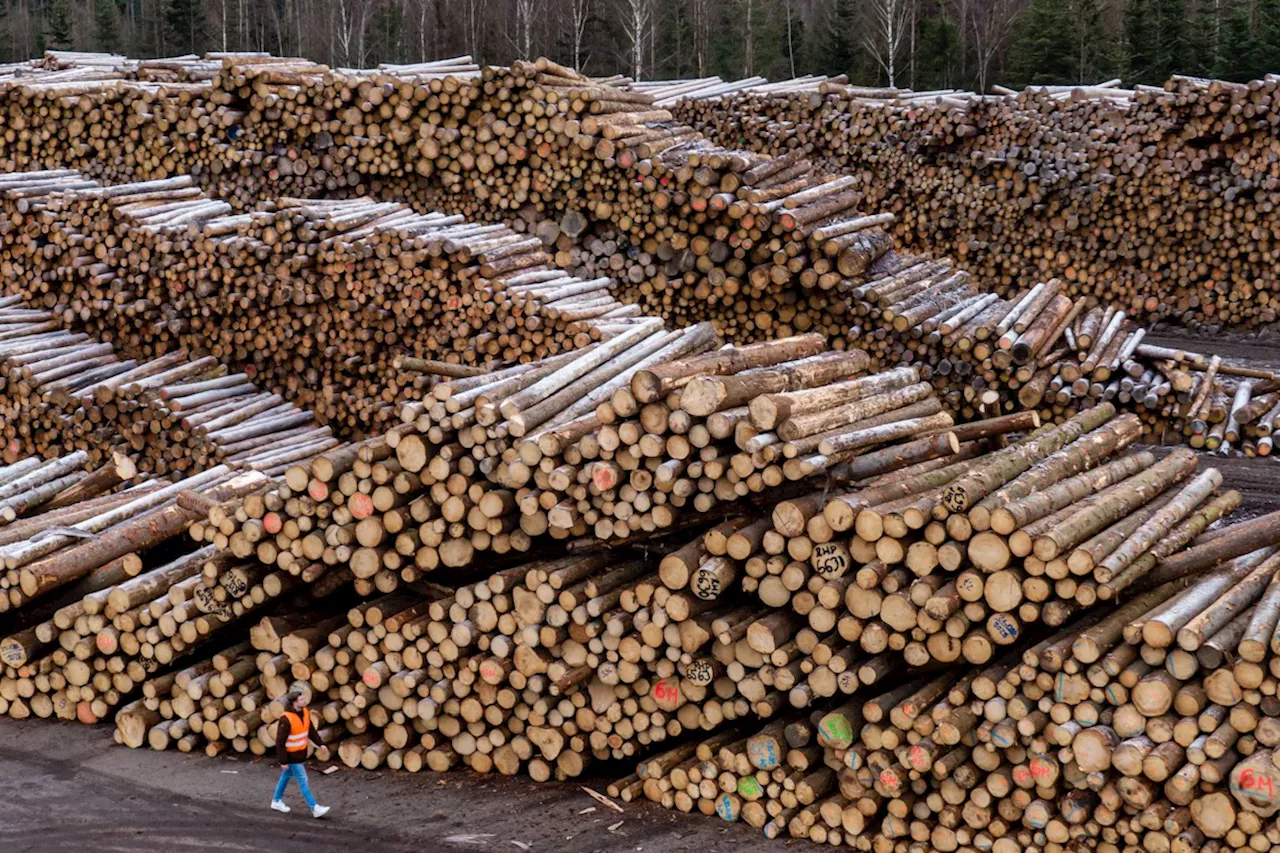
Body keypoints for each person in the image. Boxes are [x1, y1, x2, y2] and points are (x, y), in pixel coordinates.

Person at [270, 689, 331, 818]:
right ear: (294, 703)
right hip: (292, 757)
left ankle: (276, 801)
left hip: (300, 754)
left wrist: (321, 744)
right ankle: (314, 807)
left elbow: (311, 731)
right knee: (303, 779)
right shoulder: (286, 719)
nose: (305, 701)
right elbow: (280, 742)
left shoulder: (305, 712)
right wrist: (283, 761)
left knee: (285, 777)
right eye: (301, 700)